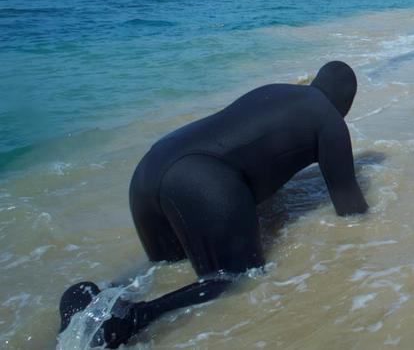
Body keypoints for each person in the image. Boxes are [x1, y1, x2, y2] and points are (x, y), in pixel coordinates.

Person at [58, 61, 369, 348]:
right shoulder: (329, 119)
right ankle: (132, 320)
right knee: (235, 279)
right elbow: (349, 205)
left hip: (151, 168)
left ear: (316, 81)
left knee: (165, 268)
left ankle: (87, 298)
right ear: (347, 101)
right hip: (199, 178)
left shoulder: (278, 91)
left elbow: (256, 153)